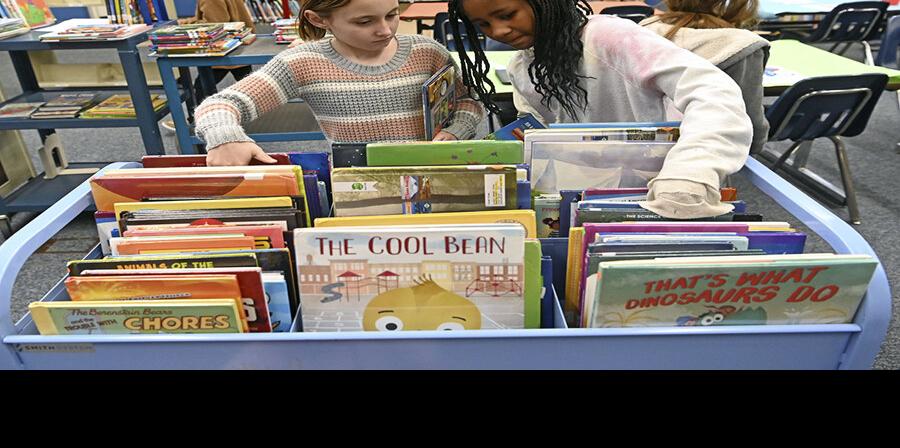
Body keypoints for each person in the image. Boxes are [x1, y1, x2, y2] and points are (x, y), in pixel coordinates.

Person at [448, 0, 753, 219]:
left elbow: (713, 90)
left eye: (506, 14)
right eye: (483, 25)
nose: (498, 31)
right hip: (592, 200)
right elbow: (541, 134)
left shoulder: (608, 37)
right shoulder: (522, 68)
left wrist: (692, 170)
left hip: (666, 194)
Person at [195, 0, 484, 166]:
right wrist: (226, 137)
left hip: (435, 171)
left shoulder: (428, 52)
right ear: (319, 20)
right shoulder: (303, 62)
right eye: (364, 22)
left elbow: (467, 102)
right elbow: (222, 103)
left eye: (392, 15)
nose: (385, 30)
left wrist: (457, 132)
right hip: (356, 185)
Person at [640, 0, 769, 154]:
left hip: (636, 145)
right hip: (706, 152)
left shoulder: (642, 30)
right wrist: (757, 145)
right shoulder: (743, 46)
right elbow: (749, 121)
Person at [161, 0, 257, 132]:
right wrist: (190, 21)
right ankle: (255, 113)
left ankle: (197, 123)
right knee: (247, 84)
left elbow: (215, 24)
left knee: (202, 87)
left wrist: (188, 26)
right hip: (238, 45)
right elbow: (216, 15)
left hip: (222, 50)